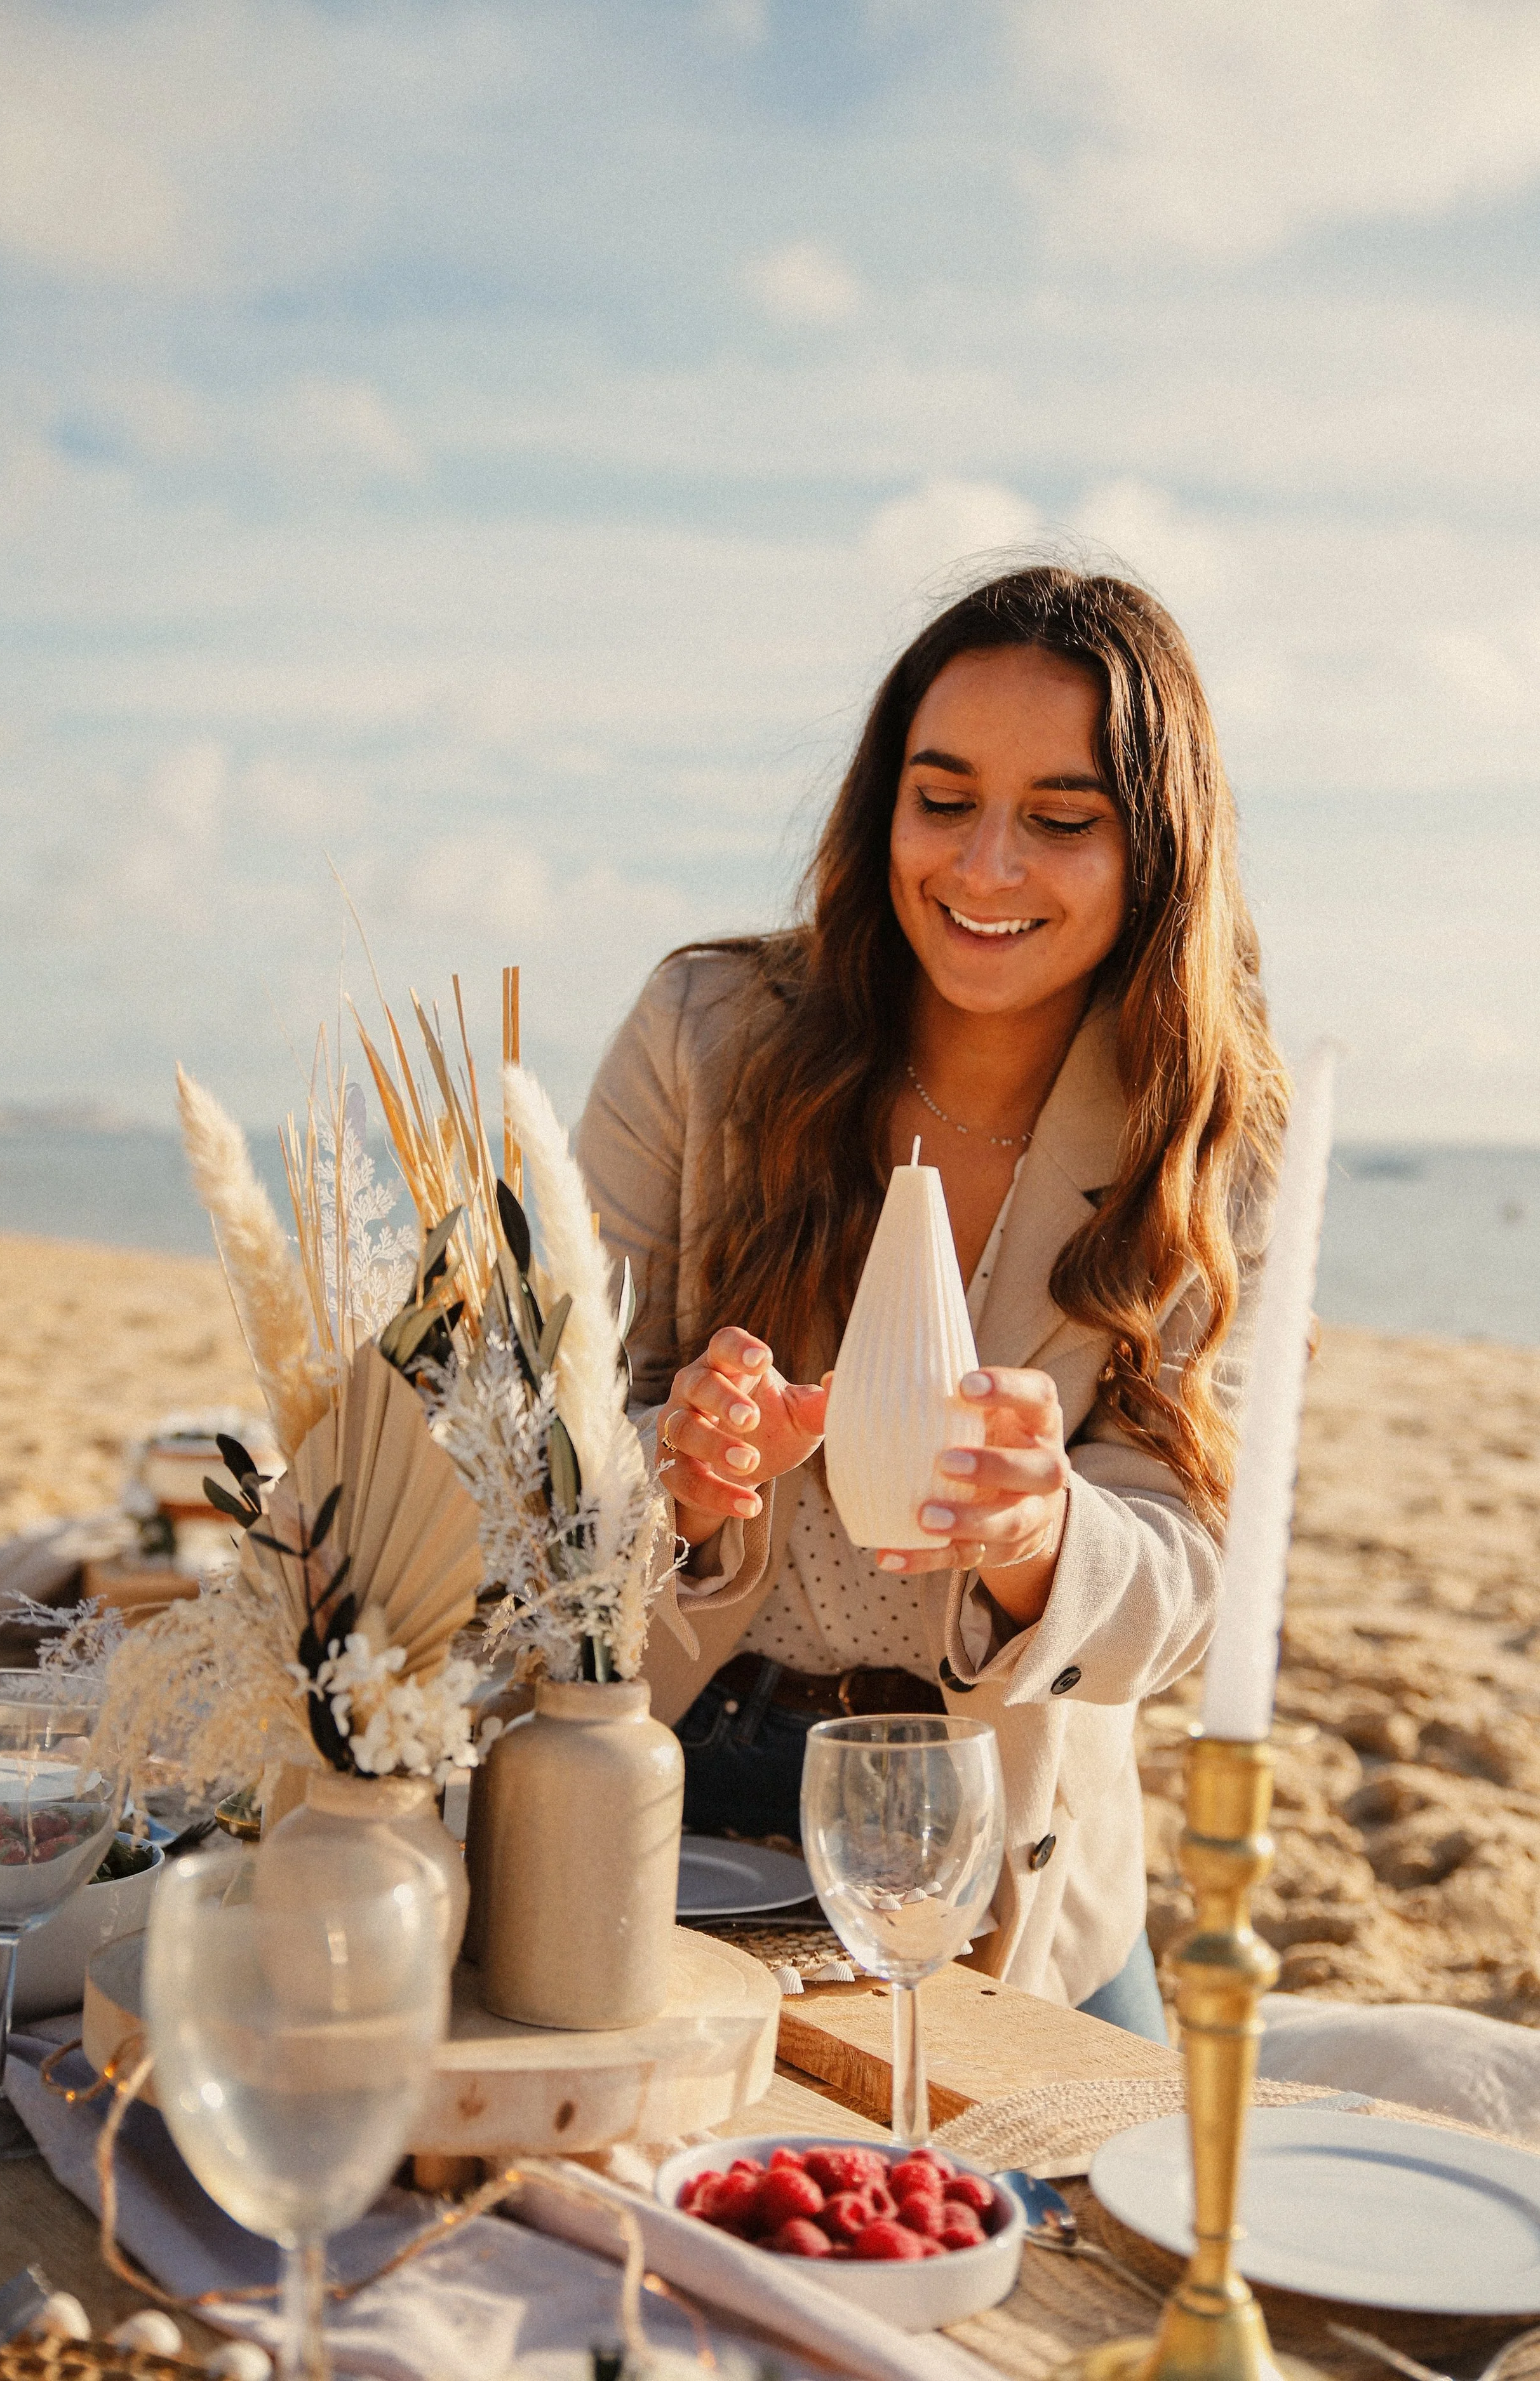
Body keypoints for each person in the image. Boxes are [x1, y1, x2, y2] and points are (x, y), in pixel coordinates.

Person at [575, 566, 1285, 2040]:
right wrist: (678, 1471)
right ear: (879, 805)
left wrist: (1042, 1537)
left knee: (1097, 2240)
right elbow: (531, 1434)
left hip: (1004, 1830)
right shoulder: (703, 1037)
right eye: (942, 797)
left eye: (1063, 818)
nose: (985, 865)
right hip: (668, 1760)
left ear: (1157, 847)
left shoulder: (1209, 1135)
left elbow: (1192, 1578)